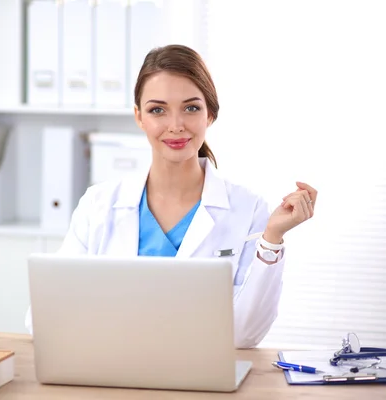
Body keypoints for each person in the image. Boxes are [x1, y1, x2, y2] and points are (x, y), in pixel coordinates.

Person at [26, 44, 317, 348]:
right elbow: (42, 319)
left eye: (191, 108)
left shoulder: (249, 208)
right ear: (139, 117)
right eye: (157, 110)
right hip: (114, 371)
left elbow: (244, 335)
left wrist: (272, 238)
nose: (176, 125)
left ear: (210, 115)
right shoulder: (99, 204)